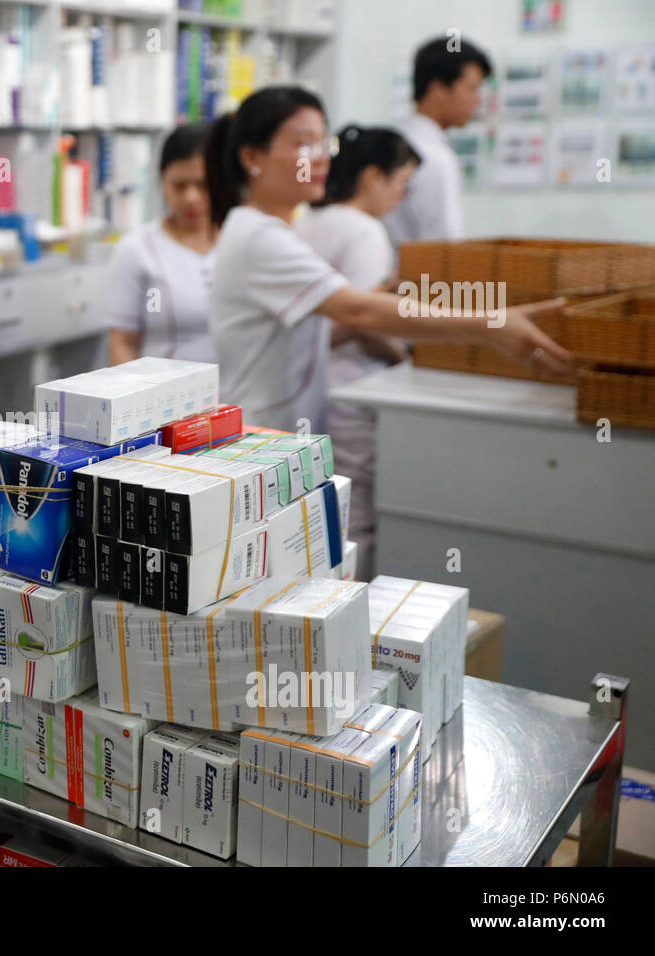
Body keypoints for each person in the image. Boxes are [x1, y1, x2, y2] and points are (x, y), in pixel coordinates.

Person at [204, 85, 571, 437]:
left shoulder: (280, 228)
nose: (319, 158)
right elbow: (360, 312)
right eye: (303, 144)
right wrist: (490, 325)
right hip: (258, 438)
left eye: (323, 143)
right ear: (252, 157)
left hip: (280, 432)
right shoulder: (260, 237)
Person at [296, 125, 422, 579]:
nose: (402, 196)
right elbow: (366, 321)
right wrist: (406, 360)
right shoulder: (366, 231)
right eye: (400, 182)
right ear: (372, 177)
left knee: (316, 519)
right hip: (352, 391)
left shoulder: (307, 220)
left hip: (312, 388)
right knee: (358, 521)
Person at [106, 122, 219, 365]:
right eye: (179, 185)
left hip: (235, 398)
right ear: (161, 181)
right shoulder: (136, 250)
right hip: (166, 398)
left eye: (203, 185)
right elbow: (123, 342)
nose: (191, 197)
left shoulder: (239, 242)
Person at [384, 35, 492, 247]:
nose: (478, 100)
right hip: (423, 278)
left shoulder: (394, 139)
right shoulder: (434, 157)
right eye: (471, 89)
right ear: (437, 89)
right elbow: (446, 249)